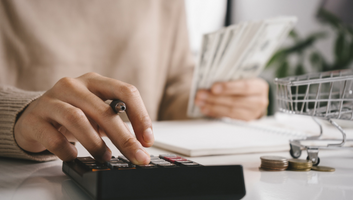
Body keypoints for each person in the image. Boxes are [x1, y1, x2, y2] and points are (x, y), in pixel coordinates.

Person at [0, 0, 268, 165]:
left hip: (141, 169)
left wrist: (218, 98)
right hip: (26, 175)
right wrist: (19, 114)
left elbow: (175, 84)